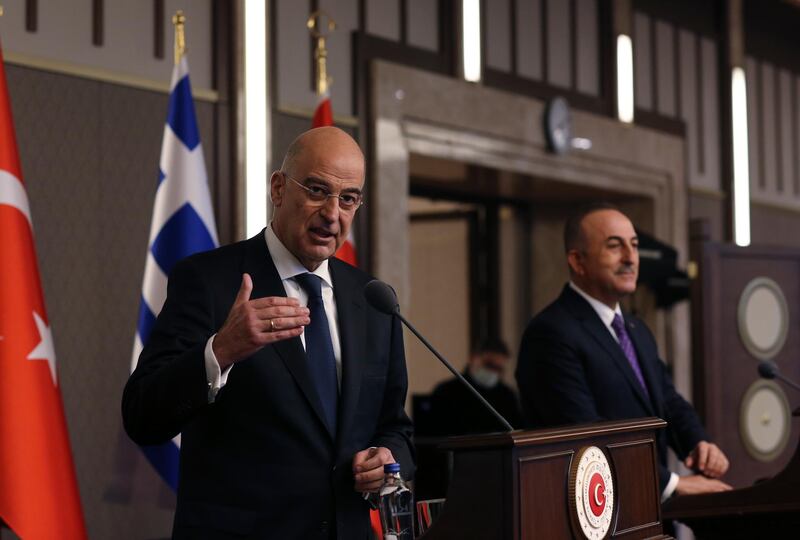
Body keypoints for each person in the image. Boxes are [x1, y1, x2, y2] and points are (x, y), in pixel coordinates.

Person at [122, 127, 414, 539]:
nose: (333, 214)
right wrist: (220, 351)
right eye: (317, 190)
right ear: (278, 189)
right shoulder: (209, 281)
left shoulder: (373, 300)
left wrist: (387, 460)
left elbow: (394, 426)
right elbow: (142, 416)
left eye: (348, 198)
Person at [515, 202, 731, 500]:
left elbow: (666, 400)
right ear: (578, 261)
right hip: (594, 514)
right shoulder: (551, 333)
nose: (631, 258)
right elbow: (584, 437)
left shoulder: (635, 329)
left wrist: (698, 444)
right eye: (615, 247)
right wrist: (671, 484)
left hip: (646, 512)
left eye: (634, 245)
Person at [428, 339, 522, 435]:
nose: (493, 372)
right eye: (489, 364)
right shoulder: (446, 391)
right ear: (472, 358)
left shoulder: (507, 396)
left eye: (498, 368)